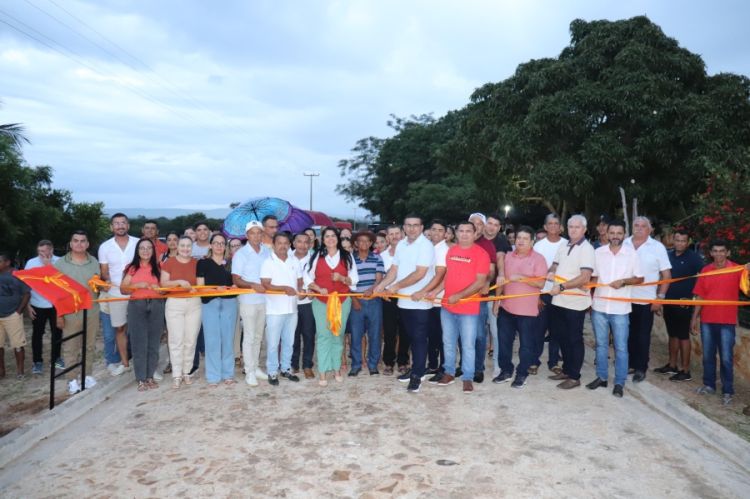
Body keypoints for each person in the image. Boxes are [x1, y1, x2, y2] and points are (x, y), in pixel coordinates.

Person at [424, 222, 489, 393]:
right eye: (461, 231)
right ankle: (449, 372)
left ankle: (467, 377)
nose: (464, 234)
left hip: (468, 308)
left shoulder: (481, 254)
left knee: (468, 344)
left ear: (475, 233)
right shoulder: (451, 251)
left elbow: (480, 282)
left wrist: (459, 296)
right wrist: (435, 291)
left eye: (468, 231)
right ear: (456, 233)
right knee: (448, 342)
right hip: (447, 306)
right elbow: (447, 277)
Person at [373, 215, 435, 393]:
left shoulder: (426, 245)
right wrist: (382, 285)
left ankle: (417, 375)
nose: (412, 228)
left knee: (419, 338)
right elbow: (394, 269)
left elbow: (420, 273)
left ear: (421, 227)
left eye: (416, 225)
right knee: (411, 338)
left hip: (419, 301)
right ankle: (416, 369)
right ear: (404, 228)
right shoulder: (401, 244)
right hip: (404, 301)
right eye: (408, 225)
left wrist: (395, 287)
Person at [586, 220, 644, 398]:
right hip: (599, 307)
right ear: (607, 233)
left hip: (620, 309)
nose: (615, 236)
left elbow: (640, 278)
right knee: (601, 345)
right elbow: (593, 277)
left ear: (624, 234)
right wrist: (585, 286)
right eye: (612, 233)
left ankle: (619, 383)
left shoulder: (631, 254)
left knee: (621, 347)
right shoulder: (598, 253)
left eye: (619, 233)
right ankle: (602, 377)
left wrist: (624, 281)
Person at [691, 241, 746, 405]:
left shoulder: (737, 269)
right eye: (715, 251)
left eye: (722, 251)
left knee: (726, 358)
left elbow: (747, 289)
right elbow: (700, 296)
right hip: (707, 320)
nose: (719, 254)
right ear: (711, 253)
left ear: (728, 253)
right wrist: (694, 318)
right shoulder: (705, 270)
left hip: (727, 321)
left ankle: (728, 390)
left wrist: (747, 272)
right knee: (708, 355)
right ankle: (709, 385)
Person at [493, 226, 548, 388]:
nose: (521, 241)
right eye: (518, 238)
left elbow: (541, 283)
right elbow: (501, 281)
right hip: (506, 308)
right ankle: (506, 370)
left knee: (526, 345)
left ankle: (522, 373)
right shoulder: (508, 257)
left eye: (525, 238)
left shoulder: (539, 259)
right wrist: (497, 301)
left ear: (532, 242)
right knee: (504, 342)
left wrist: (522, 278)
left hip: (528, 311)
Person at [304, 227, 359, 386]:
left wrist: (342, 278)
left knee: (338, 334)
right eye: (327, 236)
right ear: (322, 239)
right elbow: (307, 277)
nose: (330, 239)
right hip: (321, 301)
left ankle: (336, 369)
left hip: (342, 301)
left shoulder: (347, 256)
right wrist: (317, 288)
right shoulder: (316, 256)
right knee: (323, 335)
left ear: (338, 238)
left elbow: (354, 279)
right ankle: (322, 371)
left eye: (333, 235)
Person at [547, 215, 596, 389]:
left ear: (584, 229)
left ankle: (575, 376)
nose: (573, 230)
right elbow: (555, 264)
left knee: (574, 339)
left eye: (577, 227)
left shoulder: (587, 249)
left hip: (576, 302)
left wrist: (561, 287)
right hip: (559, 301)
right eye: (570, 227)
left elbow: (585, 277)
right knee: (561, 337)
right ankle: (567, 370)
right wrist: (551, 271)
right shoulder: (564, 245)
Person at [624, 216, 672, 382]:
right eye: (636, 225)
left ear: (650, 229)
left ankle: (640, 367)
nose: (639, 228)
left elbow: (666, 275)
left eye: (643, 226)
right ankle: (629, 363)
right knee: (626, 334)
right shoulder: (624, 243)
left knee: (642, 336)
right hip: (623, 299)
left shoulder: (657, 247)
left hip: (646, 300)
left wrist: (660, 298)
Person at [54, 231, 101, 394]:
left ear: (87, 244)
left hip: (91, 310)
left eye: (82, 241)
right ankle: (72, 380)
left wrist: (101, 285)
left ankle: (87, 376)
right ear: (71, 243)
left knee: (90, 345)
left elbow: (96, 285)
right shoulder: (60, 264)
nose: (79, 244)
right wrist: (59, 314)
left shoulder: (94, 262)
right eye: (76, 241)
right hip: (70, 311)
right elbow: (56, 292)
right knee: (71, 346)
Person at [655, 229, 704, 381]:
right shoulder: (668, 255)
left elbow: (704, 279)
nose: (680, 243)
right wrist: (659, 299)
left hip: (684, 304)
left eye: (683, 241)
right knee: (672, 334)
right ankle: (672, 365)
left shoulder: (694, 258)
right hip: (668, 302)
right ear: (673, 240)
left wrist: (695, 299)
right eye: (677, 240)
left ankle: (685, 370)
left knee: (683, 336)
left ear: (688, 242)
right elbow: (662, 278)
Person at [120, 239, 165, 391]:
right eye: (142, 248)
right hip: (137, 306)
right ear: (137, 251)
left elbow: (166, 289)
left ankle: (150, 376)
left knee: (153, 342)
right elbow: (123, 289)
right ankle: (141, 378)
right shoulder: (132, 268)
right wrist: (136, 286)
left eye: (149, 248)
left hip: (156, 305)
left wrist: (160, 290)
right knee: (139, 343)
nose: (145, 251)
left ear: (153, 250)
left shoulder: (159, 266)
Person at [98, 213, 138, 376]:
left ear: (128, 225)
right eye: (116, 223)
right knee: (120, 328)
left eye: (123, 223)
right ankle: (125, 363)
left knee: (139, 329)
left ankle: (141, 362)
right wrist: (106, 281)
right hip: (115, 294)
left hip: (137, 292)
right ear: (111, 227)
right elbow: (104, 272)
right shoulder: (104, 247)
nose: (120, 226)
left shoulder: (138, 243)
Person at [196, 233, 239, 386]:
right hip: (210, 304)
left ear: (226, 246)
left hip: (229, 303)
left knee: (228, 339)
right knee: (212, 340)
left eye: (222, 243)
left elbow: (237, 282)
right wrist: (215, 289)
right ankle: (213, 376)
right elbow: (200, 287)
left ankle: (228, 374)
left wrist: (236, 285)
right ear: (210, 245)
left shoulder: (232, 263)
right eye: (216, 243)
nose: (219, 246)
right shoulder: (203, 263)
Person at [232, 221, 271, 386]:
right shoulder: (241, 254)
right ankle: (249, 371)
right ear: (247, 235)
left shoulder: (267, 252)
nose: (256, 236)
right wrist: (253, 285)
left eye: (259, 232)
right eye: (252, 233)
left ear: (262, 234)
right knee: (249, 336)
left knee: (258, 336)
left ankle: (255, 367)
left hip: (264, 300)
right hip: (248, 300)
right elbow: (236, 279)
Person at [261, 233, 302, 385]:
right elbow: (265, 284)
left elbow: (299, 279)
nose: (283, 246)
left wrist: (300, 290)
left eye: (286, 243)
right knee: (273, 344)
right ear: (273, 244)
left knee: (289, 342)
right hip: (274, 310)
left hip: (292, 309)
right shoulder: (268, 262)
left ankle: (286, 369)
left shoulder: (294, 260)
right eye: (279, 243)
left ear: (289, 245)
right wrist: (284, 288)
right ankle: (272, 372)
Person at [161, 236, 201, 388]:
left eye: (188, 246)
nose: (185, 249)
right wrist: (178, 282)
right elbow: (163, 283)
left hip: (194, 304)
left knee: (190, 340)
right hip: (174, 304)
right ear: (177, 247)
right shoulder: (169, 263)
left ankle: (187, 372)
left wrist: (195, 289)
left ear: (192, 247)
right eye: (182, 245)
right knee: (176, 340)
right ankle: (176, 374)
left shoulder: (197, 263)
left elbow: (201, 284)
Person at [411, 220, 449, 378]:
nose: (436, 233)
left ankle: (443, 368)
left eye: (440, 230)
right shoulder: (428, 248)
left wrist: (427, 291)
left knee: (442, 336)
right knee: (431, 335)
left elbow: (441, 275)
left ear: (445, 233)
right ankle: (432, 365)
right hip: (427, 299)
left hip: (439, 299)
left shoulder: (444, 250)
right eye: (434, 229)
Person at [533, 214, 568, 374]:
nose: (553, 226)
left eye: (556, 223)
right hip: (543, 293)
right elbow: (533, 272)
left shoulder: (567, 244)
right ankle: (534, 361)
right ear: (545, 227)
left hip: (561, 294)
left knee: (557, 330)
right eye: (550, 223)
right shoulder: (538, 246)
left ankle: (553, 362)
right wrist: (537, 295)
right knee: (539, 330)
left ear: (560, 226)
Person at [348, 231, 385, 376]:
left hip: (374, 301)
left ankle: (373, 365)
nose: (364, 243)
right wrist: (354, 300)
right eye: (360, 241)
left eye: (367, 241)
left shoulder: (377, 258)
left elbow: (379, 279)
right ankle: (356, 365)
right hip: (356, 302)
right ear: (356, 243)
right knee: (356, 335)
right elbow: (347, 282)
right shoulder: (350, 259)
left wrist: (372, 289)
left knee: (375, 335)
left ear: (371, 243)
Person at [24, 240, 62, 374]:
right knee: (37, 334)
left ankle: (56, 359)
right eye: (39, 251)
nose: (42, 254)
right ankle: (37, 361)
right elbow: (26, 286)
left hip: (56, 304)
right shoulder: (31, 263)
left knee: (57, 332)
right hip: (37, 304)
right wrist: (28, 306)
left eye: (44, 251)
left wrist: (48, 266)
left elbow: (61, 283)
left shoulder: (60, 262)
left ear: (51, 250)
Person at [468, 213, 497, 383]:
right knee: (462, 333)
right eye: (473, 223)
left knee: (479, 334)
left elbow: (491, 270)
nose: (476, 226)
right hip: (460, 295)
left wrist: (486, 282)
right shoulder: (460, 243)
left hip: (478, 296)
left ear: (483, 227)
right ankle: (465, 365)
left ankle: (478, 368)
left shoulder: (487, 245)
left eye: (480, 224)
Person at [485, 213, 513, 377]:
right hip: (475, 293)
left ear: (499, 228)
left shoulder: (501, 241)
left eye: (496, 225)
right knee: (478, 334)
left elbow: (501, 262)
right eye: (490, 223)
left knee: (496, 332)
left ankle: (498, 365)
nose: (492, 227)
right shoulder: (477, 238)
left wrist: (498, 299)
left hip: (494, 292)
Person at [0, 252, 30, 378]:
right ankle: (1, 371)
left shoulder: (17, 275)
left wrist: (19, 311)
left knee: (18, 344)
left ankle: (20, 372)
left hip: (12, 315)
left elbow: (27, 293)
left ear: (7, 262)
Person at [380, 224, 405, 375]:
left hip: (406, 296)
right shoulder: (382, 256)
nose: (395, 236)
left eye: (397, 233)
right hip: (387, 298)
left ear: (402, 234)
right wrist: (382, 290)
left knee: (405, 331)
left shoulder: (409, 253)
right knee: (389, 332)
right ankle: (388, 362)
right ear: (387, 237)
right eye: (391, 234)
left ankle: (403, 361)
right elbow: (380, 278)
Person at [290, 232, 315, 378]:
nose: (303, 245)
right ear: (293, 243)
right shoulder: (287, 258)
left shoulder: (314, 259)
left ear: (310, 244)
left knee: (308, 335)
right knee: (293, 335)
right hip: (290, 302)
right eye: (299, 241)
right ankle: (293, 364)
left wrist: (311, 291)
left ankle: (307, 365)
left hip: (308, 303)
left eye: (306, 242)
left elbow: (317, 279)